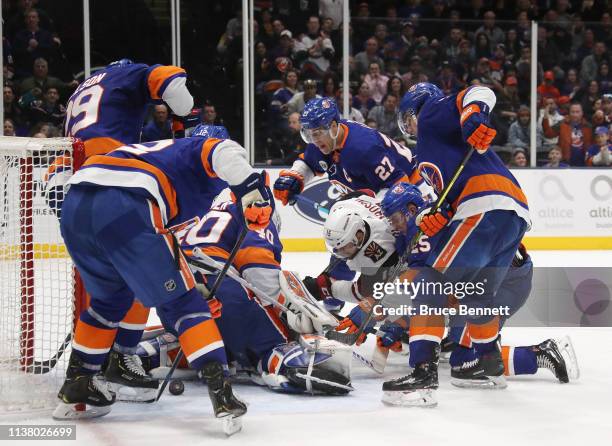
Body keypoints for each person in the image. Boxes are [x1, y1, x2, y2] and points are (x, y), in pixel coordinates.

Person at [53, 126, 273, 422]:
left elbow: (162, 247)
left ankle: (78, 382)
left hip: (76, 208)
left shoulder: (161, 154)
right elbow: (224, 151)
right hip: (125, 206)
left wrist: (189, 282)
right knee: (185, 305)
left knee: (109, 301)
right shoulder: (200, 153)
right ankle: (222, 393)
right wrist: (253, 192)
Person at [385, 82, 529, 398]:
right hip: (511, 212)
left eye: (408, 118)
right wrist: (440, 213)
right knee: (474, 295)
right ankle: (489, 358)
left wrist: (474, 115)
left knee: (431, 283)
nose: (409, 126)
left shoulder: (432, 114)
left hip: (484, 203)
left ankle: (423, 371)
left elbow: (479, 91)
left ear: (415, 111)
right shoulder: (429, 150)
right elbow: (451, 192)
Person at [135, 200, 352, 396]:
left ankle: (148, 354)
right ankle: (285, 362)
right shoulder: (257, 216)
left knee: (203, 335)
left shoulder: (205, 212)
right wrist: (288, 312)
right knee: (268, 335)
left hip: (169, 289)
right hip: (215, 283)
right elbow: (260, 274)